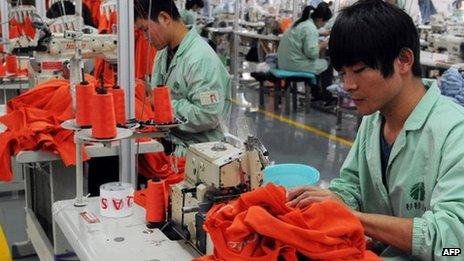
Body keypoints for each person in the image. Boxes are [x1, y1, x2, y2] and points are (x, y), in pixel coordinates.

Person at [287, 0, 464, 260]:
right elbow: (351, 186)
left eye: (358, 71)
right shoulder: (374, 119)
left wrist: (353, 217)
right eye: (343, 73)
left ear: (403, 60)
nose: (348, 85)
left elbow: (452, 246)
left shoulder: (454, 132)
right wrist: (330, 199)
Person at [134, 0, 231, 156]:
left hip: (199, 154)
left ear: (164, 18)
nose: (145, 37)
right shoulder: (162, 53)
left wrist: (160, 104)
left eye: (145, 30)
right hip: (170, 142)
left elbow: (208, 115)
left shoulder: (200, 59)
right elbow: (158, 94)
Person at [277, 3, 335, 105]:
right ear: (320, 19)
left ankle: (316, 94)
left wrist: (321, 33)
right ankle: (327, 98)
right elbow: (311, 54)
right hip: (294, 65)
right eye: (325, 22)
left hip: (283, 62)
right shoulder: (311, 28)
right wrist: (322, 45)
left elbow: (303, 35)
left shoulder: (301, 22)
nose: (324, 25)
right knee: (327, 63)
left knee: (318, 63)